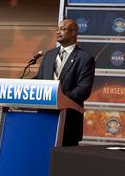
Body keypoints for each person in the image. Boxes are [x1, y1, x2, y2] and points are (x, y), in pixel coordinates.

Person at [35, 18, 95, 146]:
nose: (58, 32)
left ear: (74, 32)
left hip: (68, 122)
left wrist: (56, 98)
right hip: (44, 118)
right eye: (57, 29)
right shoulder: (49, 55)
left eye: (62, 29)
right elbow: (39, 80)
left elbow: (83, 90)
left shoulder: (85, 58)